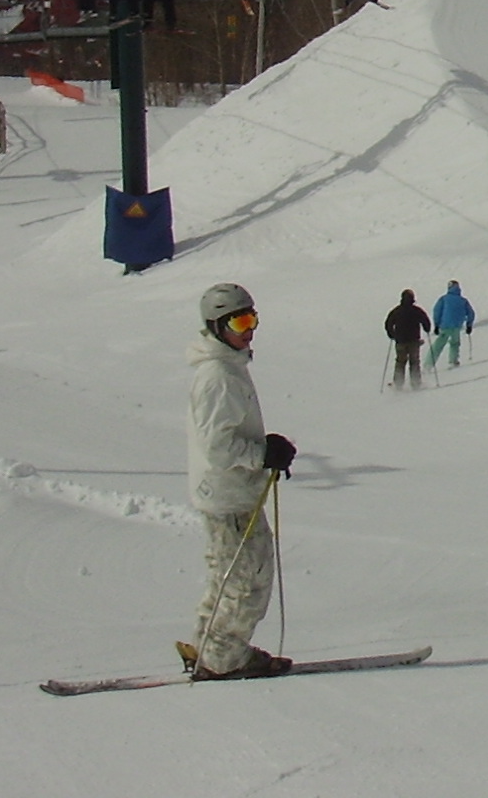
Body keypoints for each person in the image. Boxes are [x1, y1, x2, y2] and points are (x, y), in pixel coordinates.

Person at [186, 281, 297, 680]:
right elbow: (217, 447)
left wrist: (266, 446)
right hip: (229, 494)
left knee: (229, 573)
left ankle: (207, 645)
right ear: (217, 326)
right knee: (249, 580)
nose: (249, 329)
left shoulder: (227, 367)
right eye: (240, 320)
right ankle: (222, 659)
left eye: (253, 319)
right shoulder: (218, 376)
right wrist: (260, 454)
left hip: (228, 492)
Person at [384, 288, 430, 390]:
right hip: (414, 340)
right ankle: (416, 383)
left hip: (400, 341)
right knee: (414, 361)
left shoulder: (396, 311)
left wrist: (391, 334)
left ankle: (398, 383)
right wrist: (427, 328)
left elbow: (388, 323)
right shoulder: (416, 310)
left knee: (400, 362)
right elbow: (425, 320)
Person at [426, 279, 476, 371]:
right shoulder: (463, 300)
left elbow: (437, 311)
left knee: (438, 345)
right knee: (455, 343)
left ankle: (428, 364)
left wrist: (436, 324)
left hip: (445, 326)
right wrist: (469, 325)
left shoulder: (444, 299)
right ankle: (453, 361)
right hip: (457, 326)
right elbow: (471, 313)